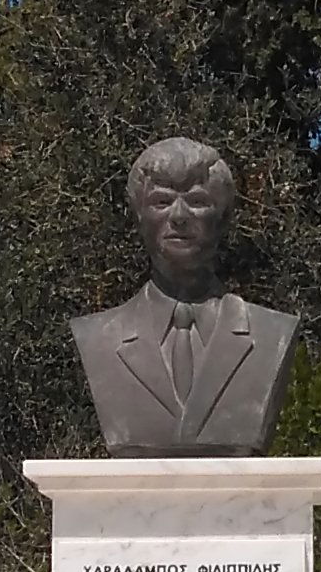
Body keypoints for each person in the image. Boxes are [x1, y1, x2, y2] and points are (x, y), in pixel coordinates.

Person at [71, 138, 300, 454]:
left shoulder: (271, 333)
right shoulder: (99, 336)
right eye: (162, 201)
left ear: (222, 218)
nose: (179, 216)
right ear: (139, 216)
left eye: (197, 200)